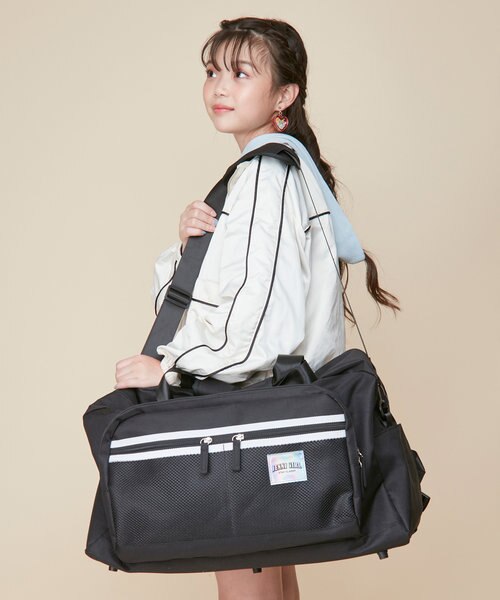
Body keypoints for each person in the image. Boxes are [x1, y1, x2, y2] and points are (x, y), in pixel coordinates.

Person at [113, 16, 400, 600]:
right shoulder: (272, 174)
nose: (220, 87)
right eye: (212, 72)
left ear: (284, 95)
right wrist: (190, 247)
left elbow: (263, 321)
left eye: (241, 73)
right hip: (266, 416)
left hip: (242, 419)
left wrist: (169, 364)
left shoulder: (265, 175)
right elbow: (244, 294)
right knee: (273, 585)